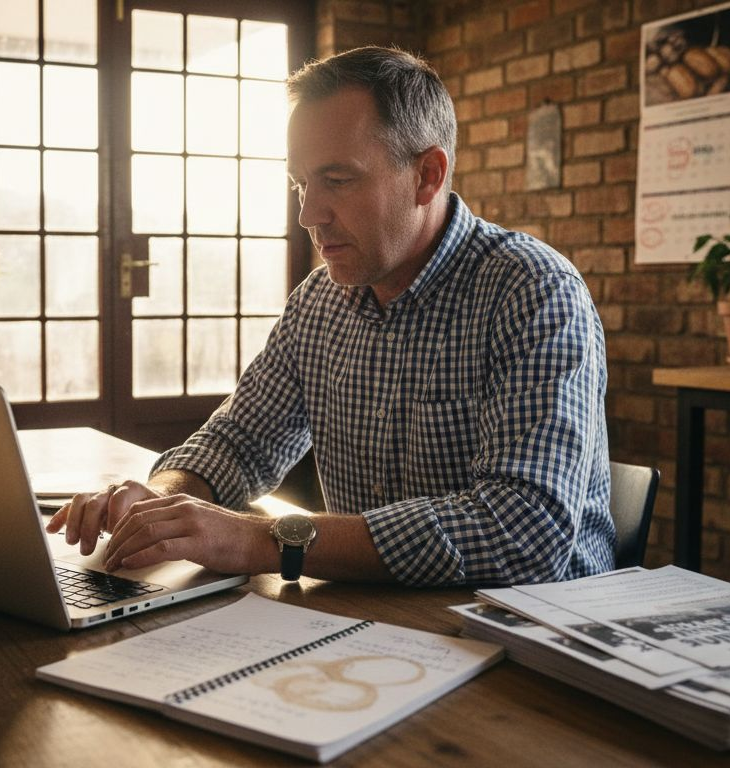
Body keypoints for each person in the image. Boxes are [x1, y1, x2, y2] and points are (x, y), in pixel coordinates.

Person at [46, 46, 613, 586]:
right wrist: (165, 497)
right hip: (374, 616)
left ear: (428, 175)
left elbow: (525, 531)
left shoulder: (534, 291)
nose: (308, 214)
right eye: (301, 183)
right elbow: (241, 440)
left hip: (537, 639)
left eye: (337, 180)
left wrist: (263, 541)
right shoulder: (320, 300)